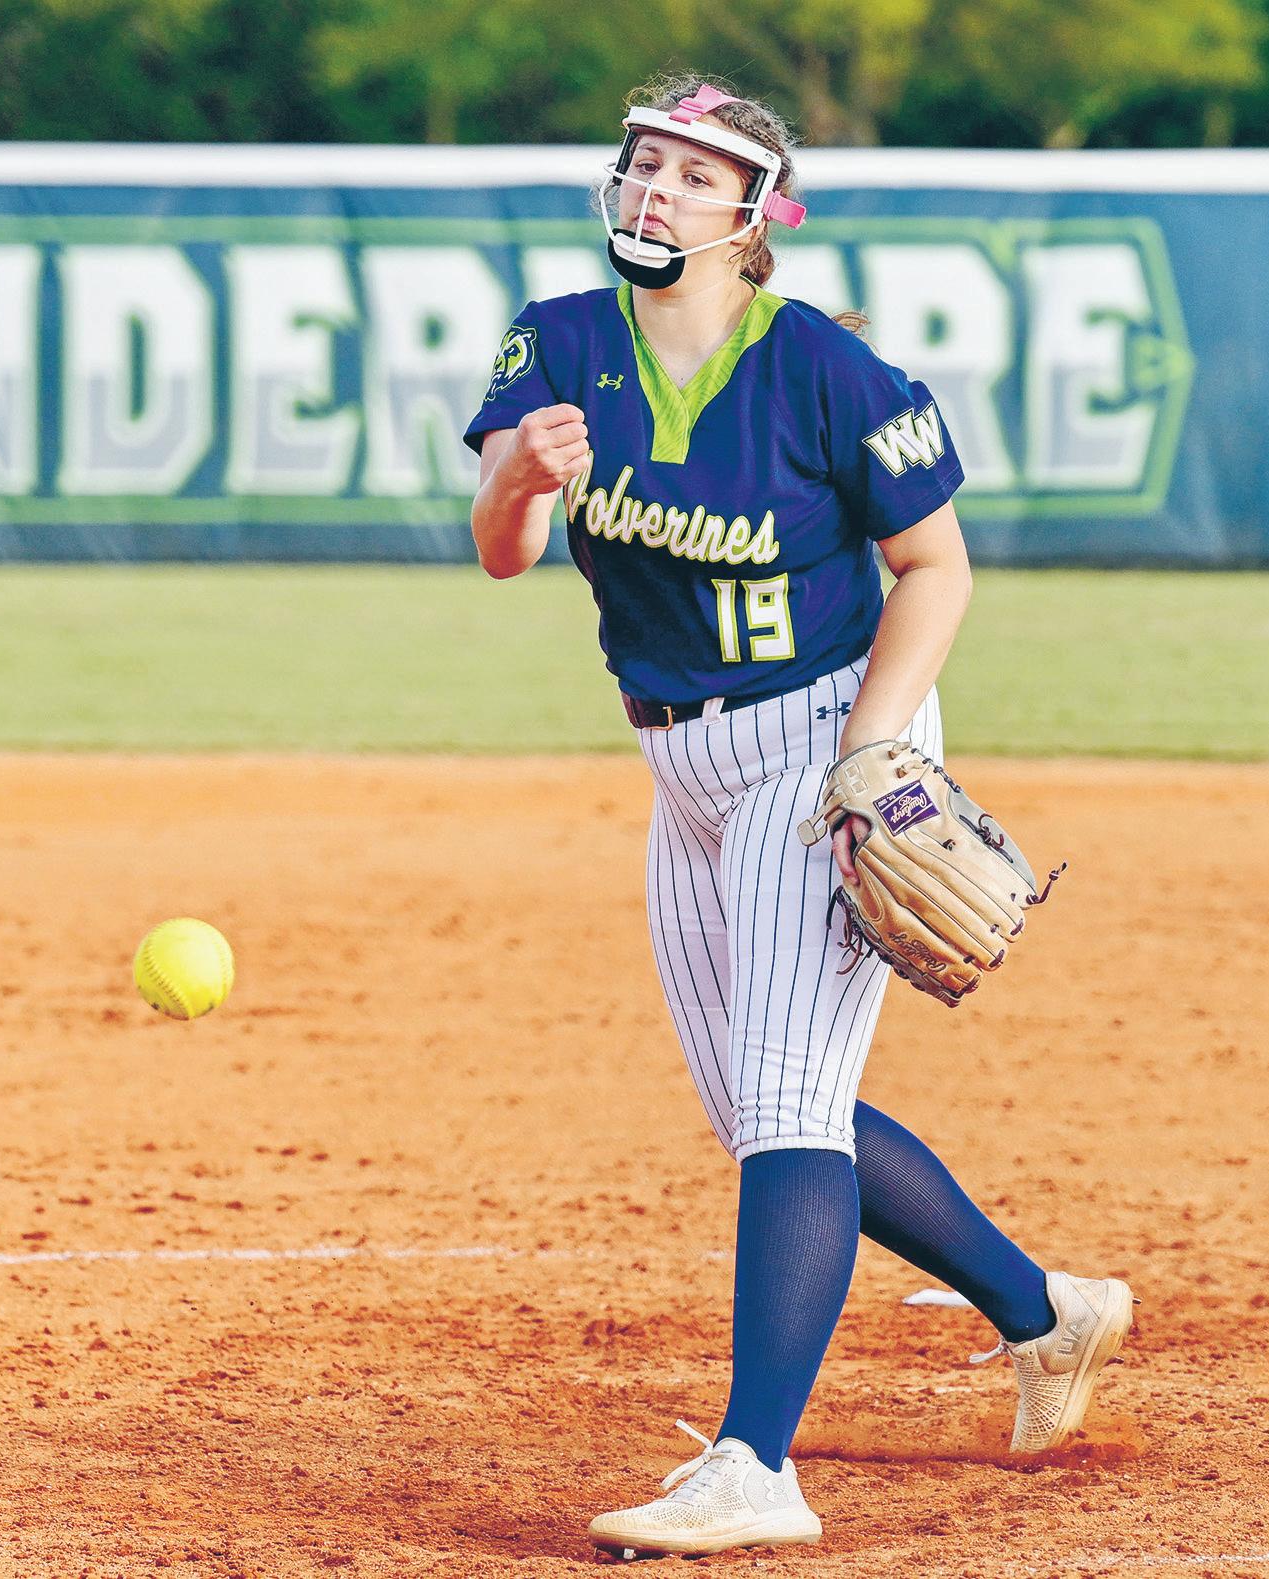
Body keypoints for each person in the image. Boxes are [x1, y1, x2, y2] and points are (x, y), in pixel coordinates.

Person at [462, 74, 1135, 1560]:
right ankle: (1047, 1313)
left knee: (783, 1105)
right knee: (765, 1108)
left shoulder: (825, 369)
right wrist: (518, 473)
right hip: (682, 763)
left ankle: (755, 1464)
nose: (656, 189)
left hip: (826, 741)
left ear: (753, 214)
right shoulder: (561, 338)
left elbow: (936, 568)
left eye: (694, 174)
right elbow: (504, 551)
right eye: (644, 162)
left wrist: (874, 752)